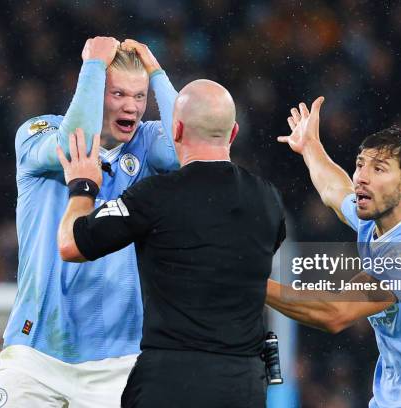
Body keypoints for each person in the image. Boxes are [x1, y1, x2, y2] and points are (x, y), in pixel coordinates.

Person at [56, 79, 286, 408]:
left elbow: (70, 244)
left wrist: (82, 187)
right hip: (243, 383)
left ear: (175, 130)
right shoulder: (268, 198)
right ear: (233, 133)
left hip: (170, 380)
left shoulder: (155, 196)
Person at [0, 37, 179, 408]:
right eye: (119, 93)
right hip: (35, 352)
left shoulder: (146, 143)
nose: (132, 107)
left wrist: (156, 72)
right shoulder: (37, 132)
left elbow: (183, 148)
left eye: (139, 97)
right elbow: (78, 141)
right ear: (92, 91)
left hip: (117, 360)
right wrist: (92, 65)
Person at [266, 97, 401, 407]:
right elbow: (335, 191)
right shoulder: (375, 218)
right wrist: (310, 147)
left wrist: (248, 283)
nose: (361, 176)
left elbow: (336, 313)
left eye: (379, 168)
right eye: (361, 164)